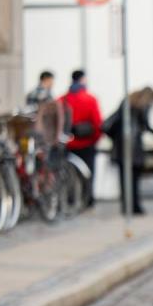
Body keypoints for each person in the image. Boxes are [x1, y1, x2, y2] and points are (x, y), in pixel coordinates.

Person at [103, 87, 153, 215]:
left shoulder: (126, 103)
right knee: (134, 180)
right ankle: (135, 206)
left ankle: (126, 206)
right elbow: (145, 124)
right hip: (135, 148)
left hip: (122, 147)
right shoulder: (143, 106)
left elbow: (112, 124)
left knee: (125, 179)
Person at [60, 70, 102, 208]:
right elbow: (97, 124)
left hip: (68, 144)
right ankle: (88, 199)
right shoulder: (90, 99)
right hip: (87, 143)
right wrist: (95, 140)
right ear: (83, 80)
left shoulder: (62, 100)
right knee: (88, 174)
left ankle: (71, 199)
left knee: (69, 174)